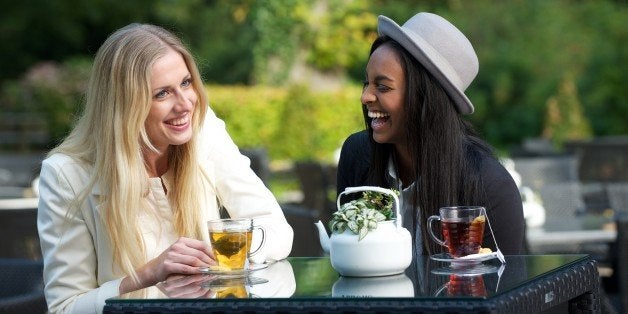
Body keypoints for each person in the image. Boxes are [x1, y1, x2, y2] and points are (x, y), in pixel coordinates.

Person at [37, 23, 294, 313]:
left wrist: (222, 256)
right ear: (124, 106)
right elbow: (64, 307)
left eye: (186, 83)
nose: (185, 104)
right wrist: (147, 275)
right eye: (162, 94)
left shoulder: (203, 129)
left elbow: (277, 230)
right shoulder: (66, 174)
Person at [336, 12, 524, 258]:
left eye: (383, 87)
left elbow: (505, 289)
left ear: (425, 99)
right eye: (367, 83)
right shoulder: (359, 156)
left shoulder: (489, 186)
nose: (365, 97)